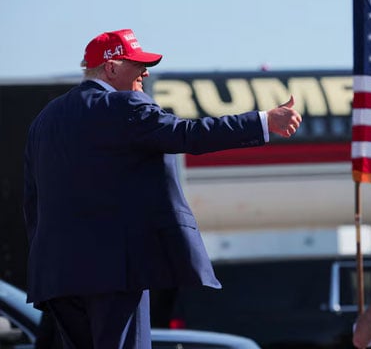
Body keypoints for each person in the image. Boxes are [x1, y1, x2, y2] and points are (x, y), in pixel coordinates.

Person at [23, 28, 302, 349]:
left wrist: (44, 264)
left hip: (58, 276)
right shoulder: (123, 106)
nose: (145, 72)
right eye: (137, 64)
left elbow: (34, 203)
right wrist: (263, 121)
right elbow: (188, 134)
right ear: (111, 68)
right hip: (116, 272)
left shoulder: (45, 120)